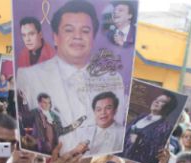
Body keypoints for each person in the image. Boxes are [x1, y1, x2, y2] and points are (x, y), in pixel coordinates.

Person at [16, 0, 125, 153]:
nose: (77, 36)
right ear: (55, 37)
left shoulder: (113, 79)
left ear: (93, 37)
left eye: (85, 31)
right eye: (69, 30)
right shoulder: (28, 76)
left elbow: (114, 133)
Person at [122, 93, 178, 163]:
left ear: (168, 108)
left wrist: (136, 142)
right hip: (120, 158)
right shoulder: (142, 116)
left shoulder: (165, 127)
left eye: (162, 101)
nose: (156, 102)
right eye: (156, 99)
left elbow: (152, 153)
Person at [73, 91, 125, 156]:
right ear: (94, 112)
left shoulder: (123, 134)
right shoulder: (82, 131)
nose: (103, 112)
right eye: (98, 109)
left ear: (115, 110)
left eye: (108, 108)